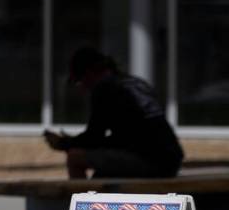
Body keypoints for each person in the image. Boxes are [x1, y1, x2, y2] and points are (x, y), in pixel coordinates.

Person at [44, 47, 183, 179]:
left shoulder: (104, 89)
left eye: (80, 82)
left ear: (89, 74)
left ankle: (81, 203)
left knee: (75, 158)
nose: (83, 89)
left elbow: (93, 138)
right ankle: (92, 201)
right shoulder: (135, 83)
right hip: (171, 158)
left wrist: (64, 144)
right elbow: (130, 136)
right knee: (101, 176)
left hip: (150, 160)